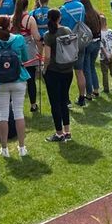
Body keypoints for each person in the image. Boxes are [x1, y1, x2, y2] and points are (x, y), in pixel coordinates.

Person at [0, 15, 29, 157]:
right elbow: (25, 58)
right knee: (19, 113)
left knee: (3, 114)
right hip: (19, 79)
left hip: (1, 81)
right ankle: (22, 147)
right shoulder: (19, 39)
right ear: (10, 25)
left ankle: (4, 148)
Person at [41, 8, 75, 143]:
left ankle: (59, 133)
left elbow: (47, 57)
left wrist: (44, 69)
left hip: (54, 71)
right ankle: (67, 131)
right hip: (68, 70)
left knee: (55, 103)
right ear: (59, 18)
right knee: (64, 101)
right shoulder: (67, 30)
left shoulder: (48, 35)